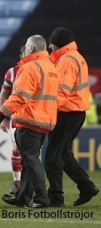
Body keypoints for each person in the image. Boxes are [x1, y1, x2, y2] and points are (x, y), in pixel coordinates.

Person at [0, 34, 59, 208]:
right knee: (29, 161)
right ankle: (22, 197)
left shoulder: (30, 67)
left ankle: (42, 197)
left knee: (31, 160)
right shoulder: (50, 67)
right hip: (45, 120)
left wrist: (1, 114)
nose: (26, 48)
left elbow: (19, 96)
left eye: (27, 46)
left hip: (30, 119)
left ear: (31, 48)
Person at [45, 27, 99, 207]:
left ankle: (55, 198)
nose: (49, 47)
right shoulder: (76, 57)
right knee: (64, 154)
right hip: (75, 112)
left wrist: (46, 108)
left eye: (51, 44)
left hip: (66, 113)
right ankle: (86, 187)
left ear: (56, 44)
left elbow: (60, 92)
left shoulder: (66, 61)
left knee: (52, 157)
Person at [0, 46, 25, 195]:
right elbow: (4, 94)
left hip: (35, 117)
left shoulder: (39, 69)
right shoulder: (12, 72)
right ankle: (17, 182)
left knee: (30, 152)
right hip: (16, 116)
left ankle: (29, 183)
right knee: (17, 147)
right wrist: (3, 116)